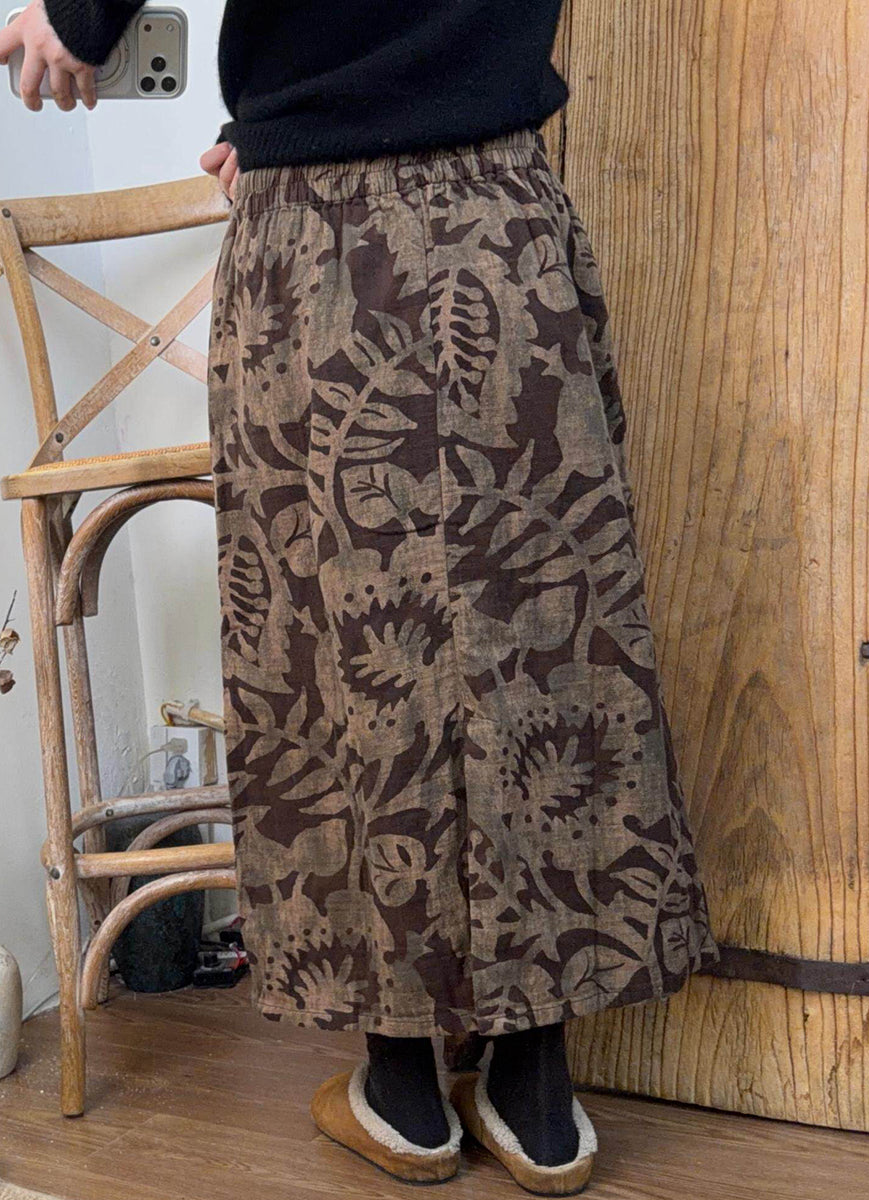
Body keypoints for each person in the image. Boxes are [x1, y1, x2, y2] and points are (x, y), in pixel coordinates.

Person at [0, 2, 719, 1192]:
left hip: (318, 245)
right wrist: (292, 120)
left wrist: (83, 17)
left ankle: (403, 1090)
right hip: (499, 221)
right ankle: (536, 1097)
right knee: (538, 634)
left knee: (335, 642)